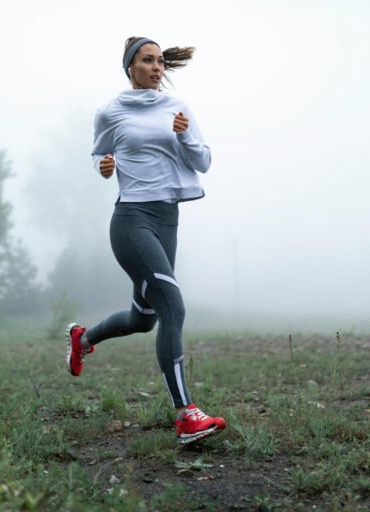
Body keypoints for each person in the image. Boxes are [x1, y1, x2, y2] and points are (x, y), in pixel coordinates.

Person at [65, 36, 226, 445]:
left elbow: (204, 161)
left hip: (167, 220)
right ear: (130, 68)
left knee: (144, 319)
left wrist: (185, 136)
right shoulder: (110, 111)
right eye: (147, 61)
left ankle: (84, 338)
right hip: (131, 221)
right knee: (173, 305)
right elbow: (101, 155)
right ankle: (186, 416)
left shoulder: (177, 107)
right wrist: (104, 167)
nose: (156, 68)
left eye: (160, 62)